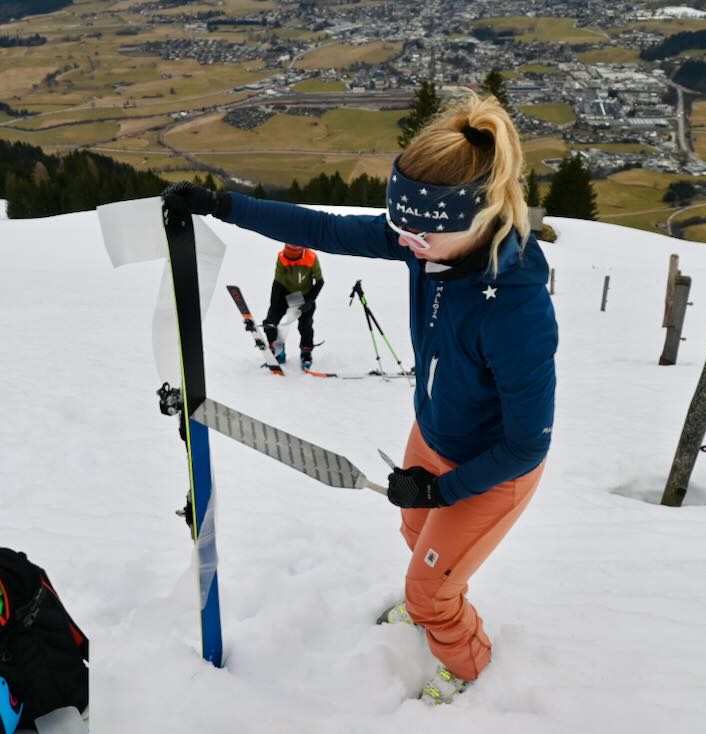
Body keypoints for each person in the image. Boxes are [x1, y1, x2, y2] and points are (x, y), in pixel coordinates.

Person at [162, 91, 557, 705]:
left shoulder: (517, 311)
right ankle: (434, 593)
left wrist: (445, 489)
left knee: (430, 588)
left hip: (495, 469)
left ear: (477, 220)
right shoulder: (426, 243)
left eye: (422, 232)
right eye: (402, 228)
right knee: (413, 530)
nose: (407, 243)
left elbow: (527, 442)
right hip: (434, 432)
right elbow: (322, 228)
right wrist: (222, 205)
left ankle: (470, 663)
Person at [263, 243, 324, 369]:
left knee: (305, 326)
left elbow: (319, 281)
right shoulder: (281, 257)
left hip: (304, 295)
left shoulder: (311, 258)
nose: (291, 262)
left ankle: (306, 353)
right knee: (270, 322)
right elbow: (277, 282)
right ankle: (278, 352)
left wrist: (309, 301)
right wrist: (274, 306)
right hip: (285, 293)